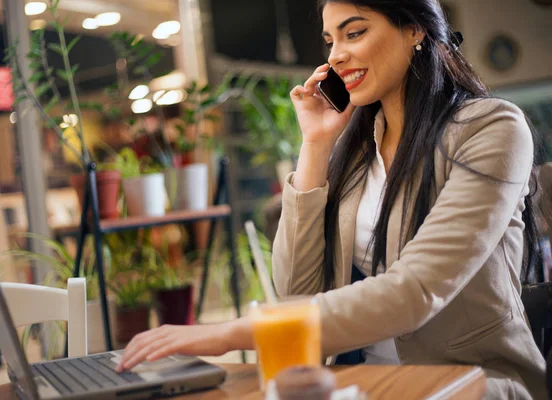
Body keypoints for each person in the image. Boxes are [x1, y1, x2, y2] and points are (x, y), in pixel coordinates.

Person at [116, 0, 546, 398]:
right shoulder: (356, 152)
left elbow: (417, 289)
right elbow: (294, 293)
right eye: (329, 41)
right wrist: (316, 145)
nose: (335, 55)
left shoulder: (491, 129)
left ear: (414, 29)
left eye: (354, 33)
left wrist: (233, 332)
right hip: (361, 381)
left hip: (470, 381)